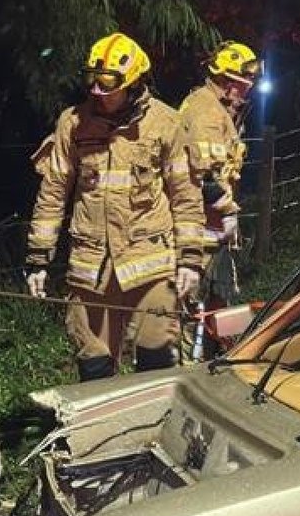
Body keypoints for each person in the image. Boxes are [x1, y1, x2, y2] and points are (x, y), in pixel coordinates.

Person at [25, 32, 206, 380]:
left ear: (133, 82)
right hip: (90, 266)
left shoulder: (166, 123)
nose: (96, 90)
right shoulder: (72, 124)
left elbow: (186, 196)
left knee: (156, 357)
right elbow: (53, 193)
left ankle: (155, 416)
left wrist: (190, 260)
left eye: (107, 82)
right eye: (91, 79)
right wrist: (38, 258)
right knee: (93, 362)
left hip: (150, 263)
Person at [179, 41, 259, 329]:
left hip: (214, 234)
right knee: (193, 316)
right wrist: (228, 211)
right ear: (228, 81)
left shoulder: (221, 110)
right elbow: (204, 173)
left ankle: (221, 350)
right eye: (246, 82)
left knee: (220, 312)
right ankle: (195, 356)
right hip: (199, 232)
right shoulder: (205, 113)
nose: (249, 88)